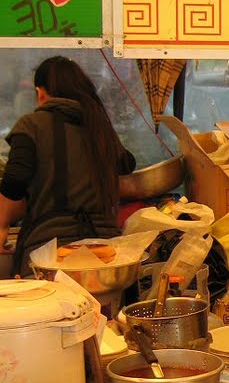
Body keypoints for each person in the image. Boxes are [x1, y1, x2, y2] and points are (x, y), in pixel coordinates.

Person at [0, 55, 136, 275]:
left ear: (40, 92)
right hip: (106, 253)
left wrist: (2, 226)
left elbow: (15, 180)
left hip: (49, 252)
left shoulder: (32, 125)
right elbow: (126, 164)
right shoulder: (97, 126)